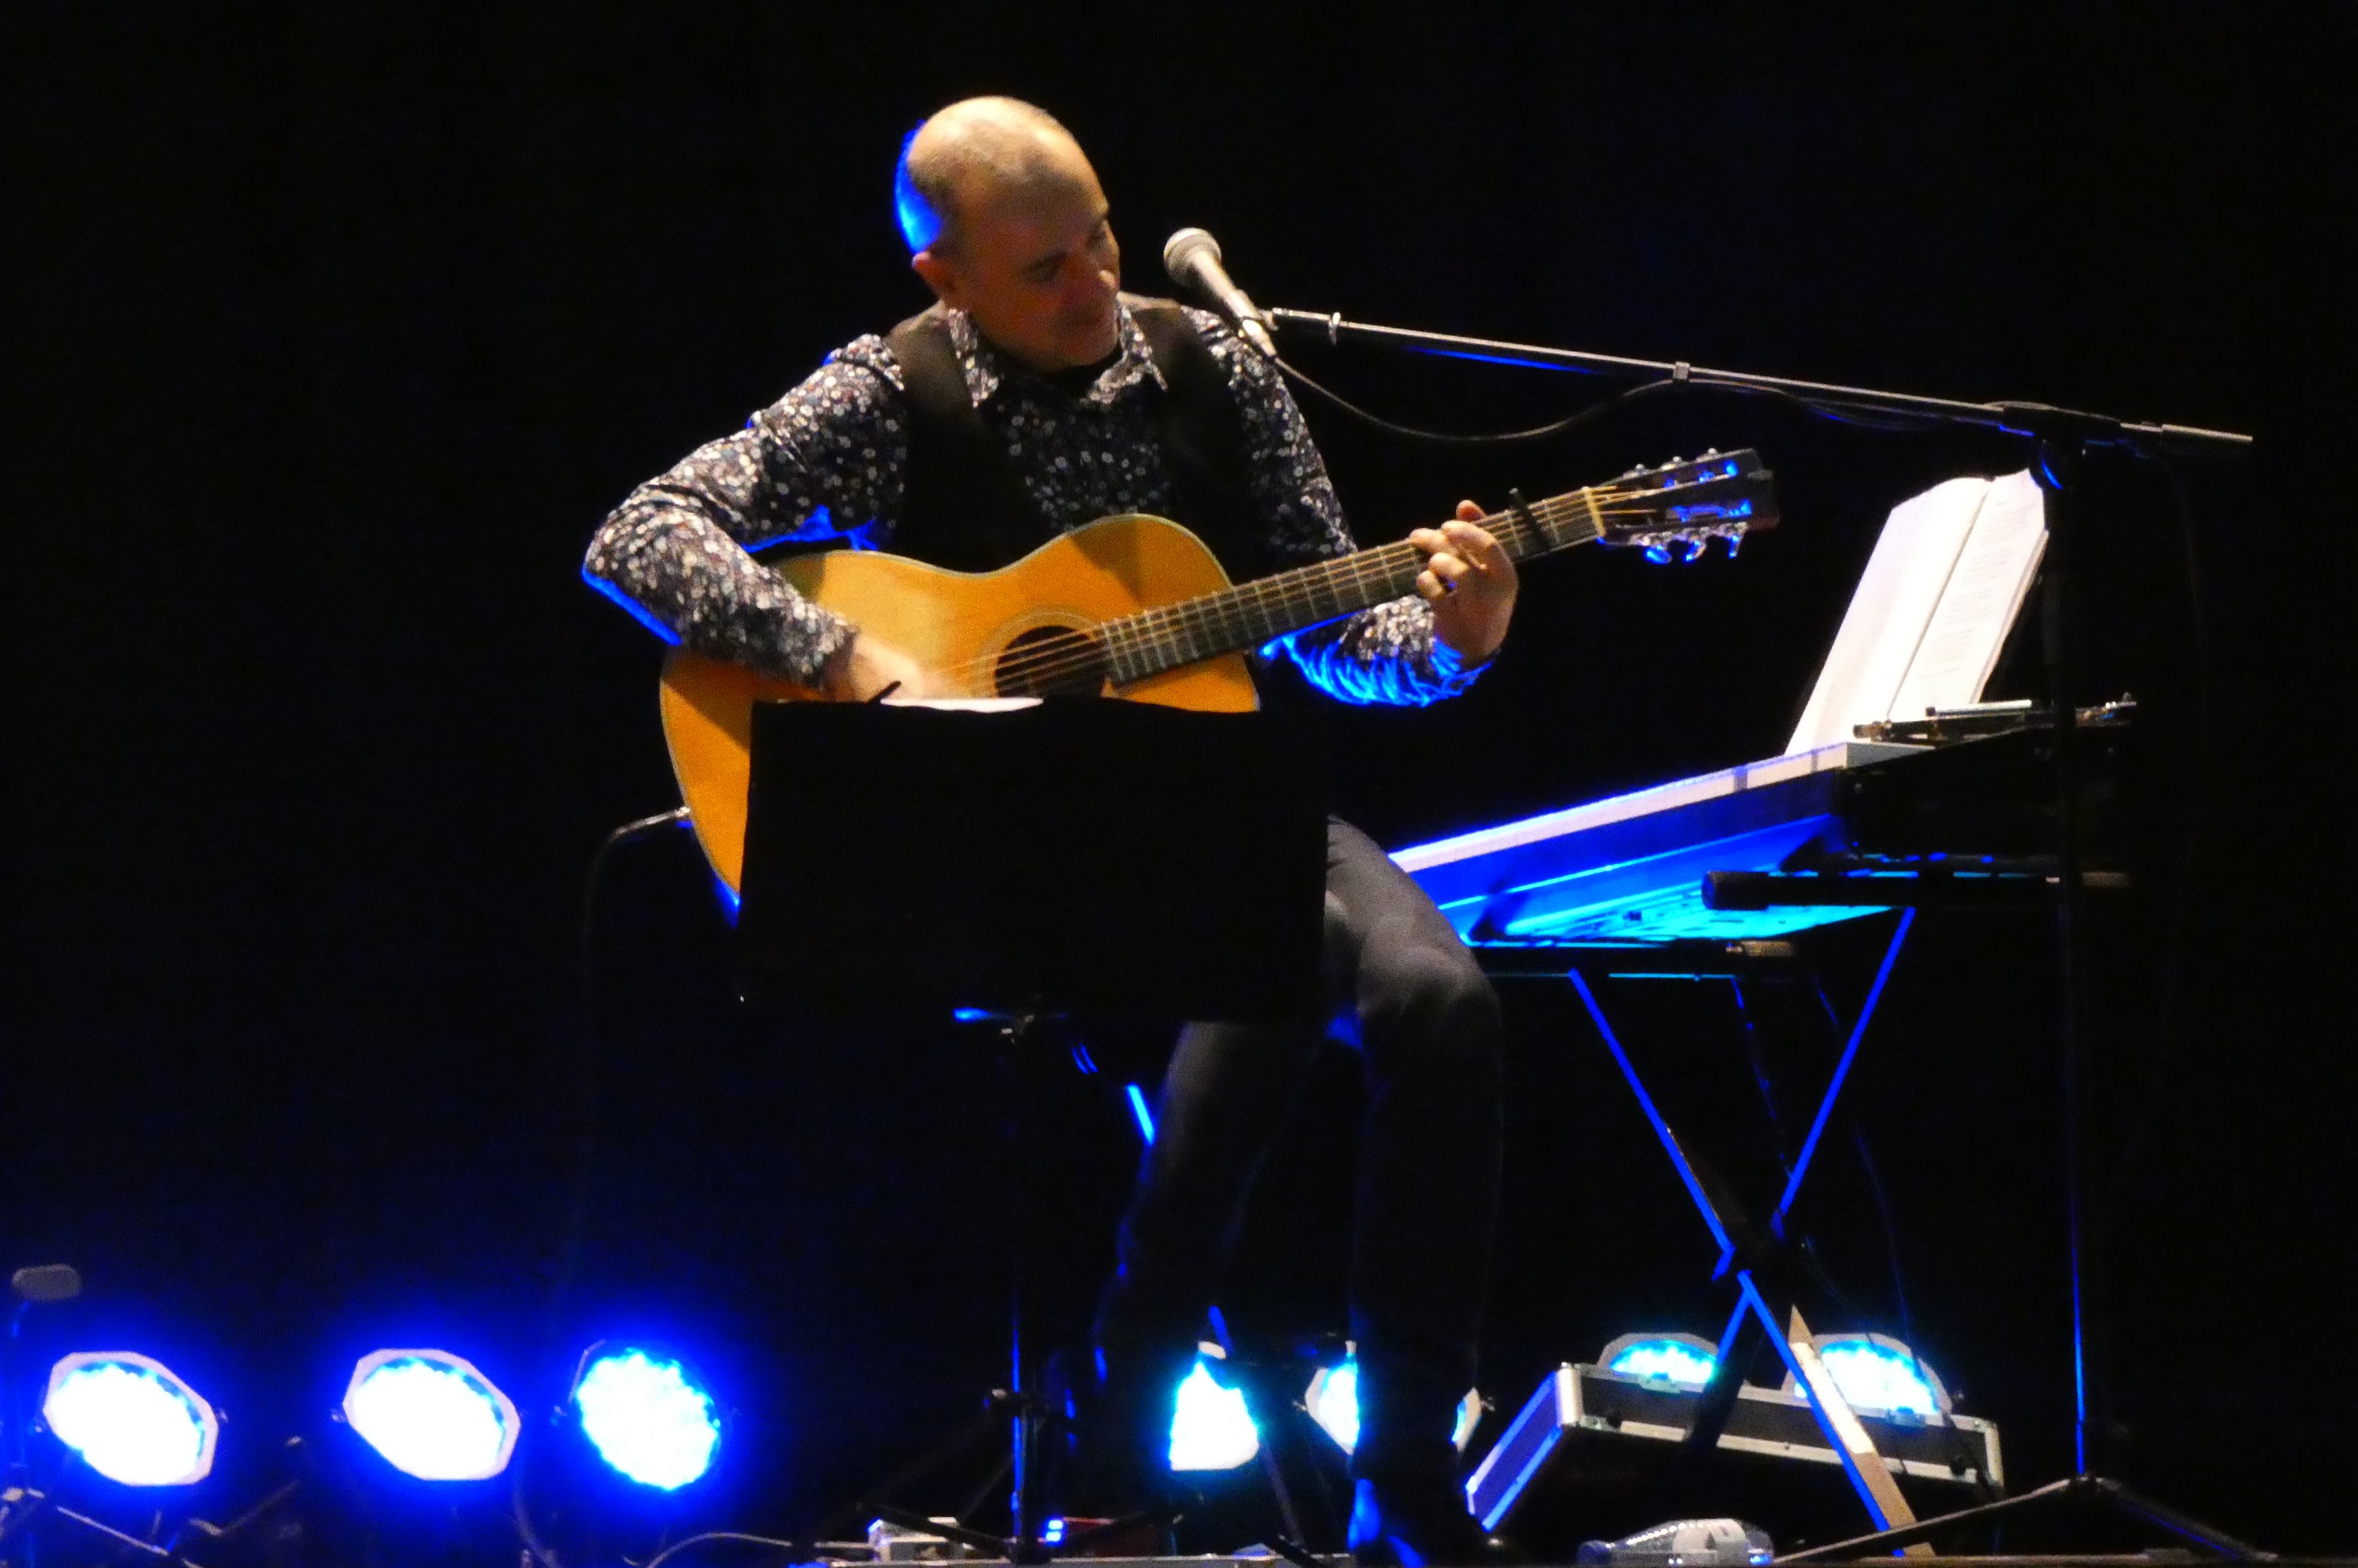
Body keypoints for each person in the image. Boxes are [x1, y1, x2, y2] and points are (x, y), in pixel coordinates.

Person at [584, 97, 1515, 1565]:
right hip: (996, 845)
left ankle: (1400, 1464)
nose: (1094, 289)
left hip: (1221, 797)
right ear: (944, 277)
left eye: (1101, 243)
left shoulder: (1214, 366)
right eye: (1043, 270)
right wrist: (838, 657)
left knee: (1441, 1000)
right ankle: (1129, 1401)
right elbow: (639, 534)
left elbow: (1341, 631)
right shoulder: (890, 391)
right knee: (1268, 953)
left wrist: (1454, 635)